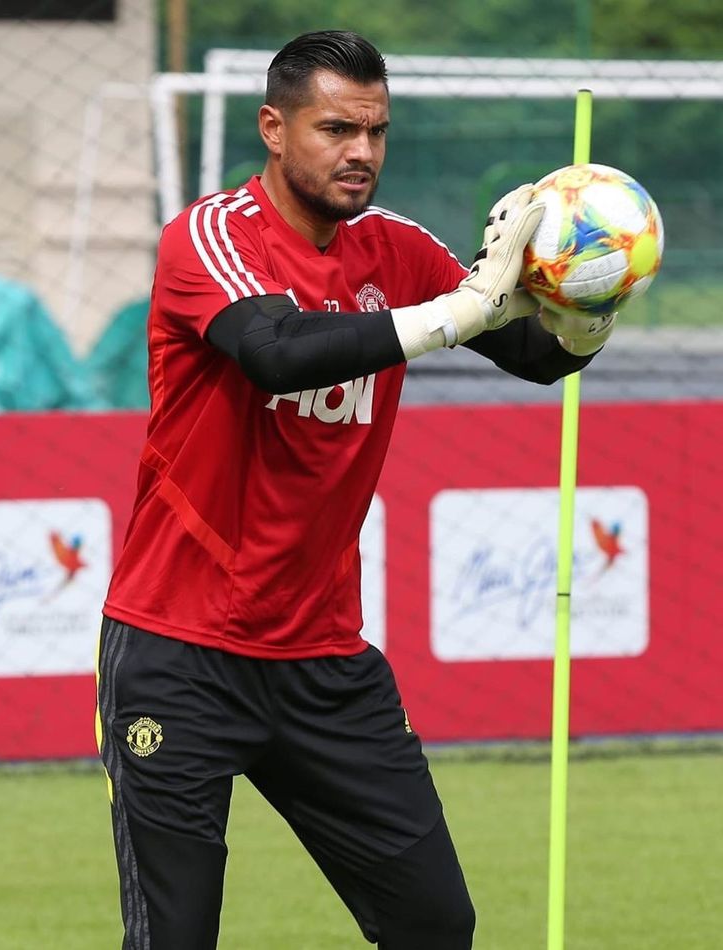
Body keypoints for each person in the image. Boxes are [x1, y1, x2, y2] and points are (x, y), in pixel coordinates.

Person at [96, 29, 613, 950]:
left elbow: (534, 355)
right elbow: (274, 352)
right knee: (173, 938)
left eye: (376, 131)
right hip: (179, 655)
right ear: (273, 127)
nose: (362, 151)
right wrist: (459, 313)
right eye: (336, 128)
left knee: (434, 923)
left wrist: (596, 296)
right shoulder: (208, 236)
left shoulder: (397, 252)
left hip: (324, 661)